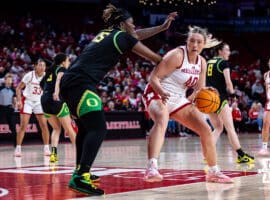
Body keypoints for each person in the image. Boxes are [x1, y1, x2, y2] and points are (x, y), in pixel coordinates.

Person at [59, 4, 177, 195]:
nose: (134, 26)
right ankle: (80, 176)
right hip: (80, 82)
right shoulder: (121, 36)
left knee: (85, 128)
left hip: (71, 82)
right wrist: (173, 62)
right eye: (131, 24)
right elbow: (155, 58)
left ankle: (80, 172)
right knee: (98, 128)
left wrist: (162, 28)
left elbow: (135, 35)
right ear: (123, 24)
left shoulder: (110, 33)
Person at [142, 26, 233, 183]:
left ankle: (213, 172)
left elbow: (198, 90)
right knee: (162, 119)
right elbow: (153, 78)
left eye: (199, 42)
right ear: (187, 41)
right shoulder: (177, 55)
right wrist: (162, 93)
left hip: (178, 98)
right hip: (157, 92)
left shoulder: (202, 63)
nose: (195, 45)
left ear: (204, 44)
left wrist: (207, 93)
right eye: (192, 41)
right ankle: (152, 168)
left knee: (205, 129)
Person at [205, 42, 254, 164]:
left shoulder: (208, 62)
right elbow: (228, 83)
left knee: (217, 128)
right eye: (227, 50)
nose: (229, 52)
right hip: (220, 98)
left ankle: (207, 154)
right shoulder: (223, 63)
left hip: (208, 98)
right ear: (220, 51)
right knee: (230, 128)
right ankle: (241, 155)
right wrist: (233, 95)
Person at [40, 53, 76, 163]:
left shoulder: (49, 70)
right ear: (63, 62)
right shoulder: (61, 69)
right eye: (68, 60)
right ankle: (80, 153)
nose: (69, 63)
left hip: (44, 100)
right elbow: (59, 79)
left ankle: (53, 155)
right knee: (69, 129)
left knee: (56, 129)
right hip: (55, 100)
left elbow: (41, 84)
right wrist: (56, 92)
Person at [14, 59, 51, 157]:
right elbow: (18, 88)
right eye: (40, 65)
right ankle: (18, 149)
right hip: (27, 101)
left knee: (44, 125)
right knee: (23, 126)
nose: (42, 67)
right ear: (35, 66)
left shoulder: (46, 76)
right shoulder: (29, 75)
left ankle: (47, 148)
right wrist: (18, 101)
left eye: (44, 65)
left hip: (39, 102)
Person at [0, 73, 17, 146]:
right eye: (8, 79)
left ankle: (16, 144)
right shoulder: (0, 88)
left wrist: (15, 106)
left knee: (13, 126)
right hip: (1, 108)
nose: (10, 81)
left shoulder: (13, 90)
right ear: (5, 80)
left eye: (11, 79)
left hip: (10, 109)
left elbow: (14, 99)